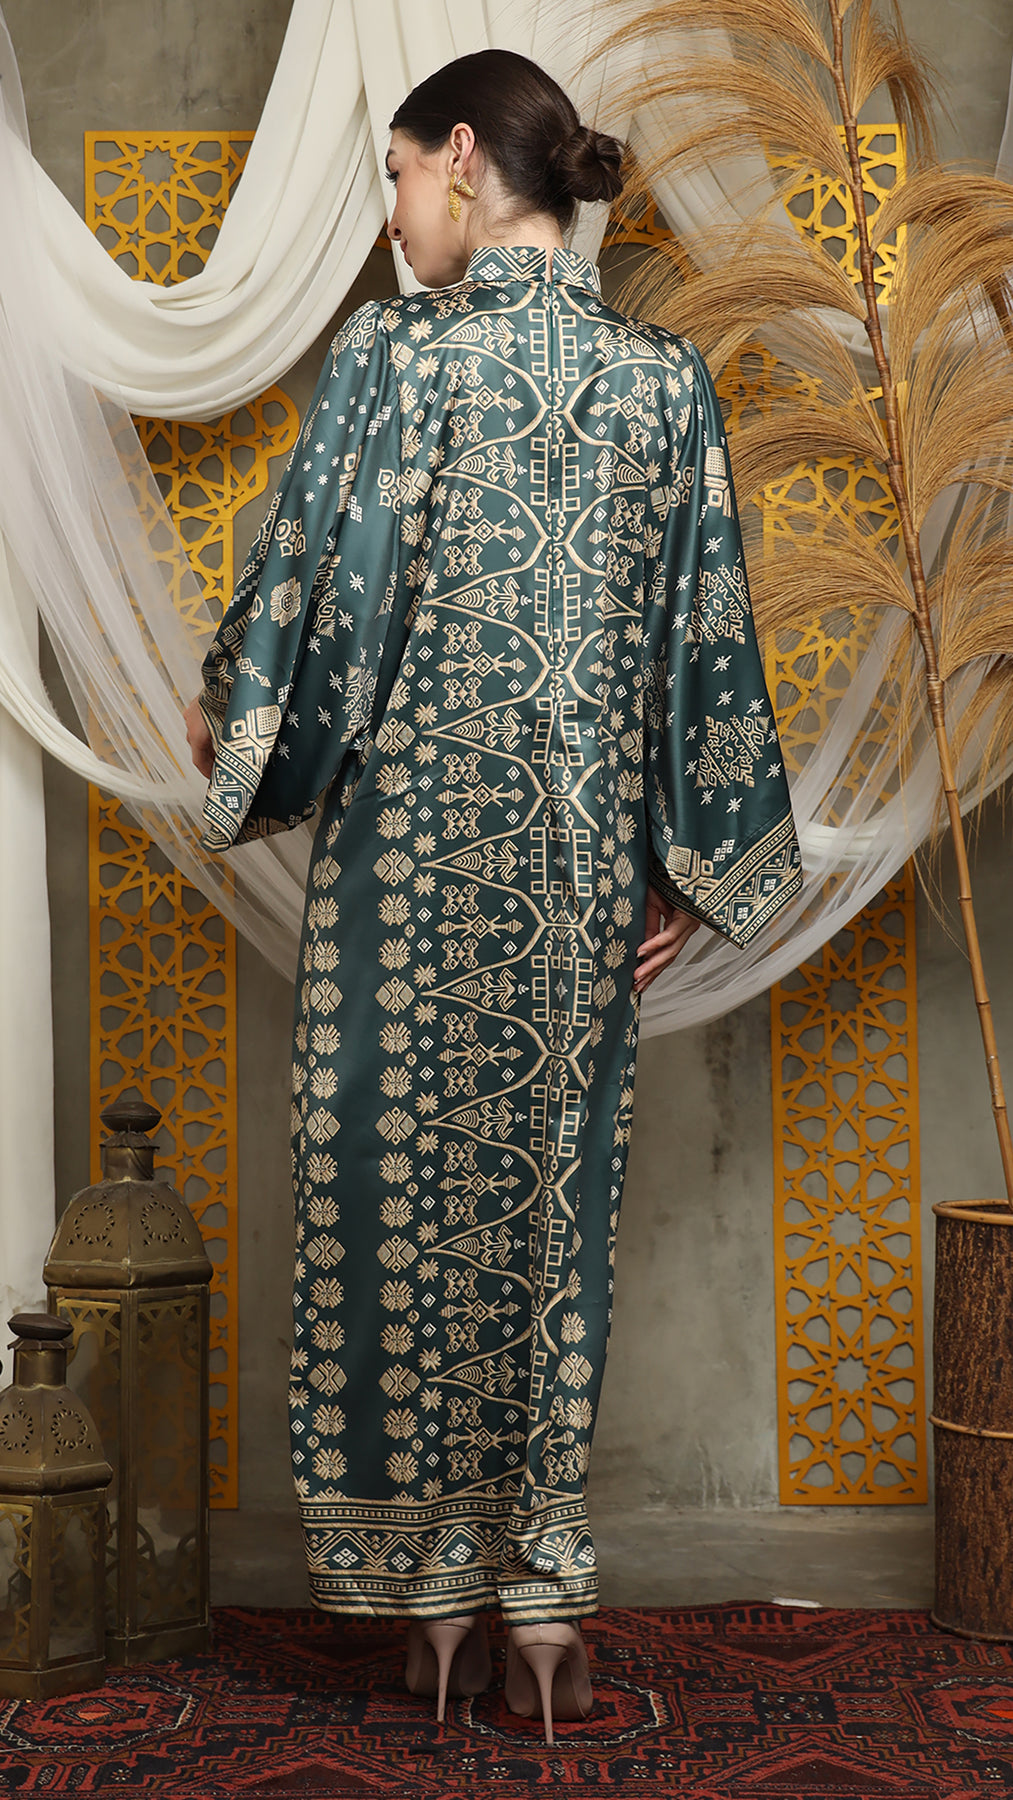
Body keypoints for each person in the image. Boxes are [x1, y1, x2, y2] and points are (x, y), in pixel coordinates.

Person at [184, 48, 801, 1743]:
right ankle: (542, 1599)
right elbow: (704, 640)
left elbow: (316, 596)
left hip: (403, 884)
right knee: (547, 1231)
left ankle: (432, 1602)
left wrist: (232, 702)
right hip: (578, 884)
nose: (392, 221)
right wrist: (688, 857)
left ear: (461, 157)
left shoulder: (393, 360)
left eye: (395, 177)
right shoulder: (662, 383)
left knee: (392, 1221)